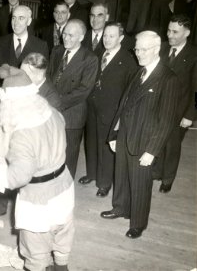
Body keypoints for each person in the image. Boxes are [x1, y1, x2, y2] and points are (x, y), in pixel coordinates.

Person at [0, 67, 74, 271]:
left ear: (11, 103)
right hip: (64, 187)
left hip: (38, 200)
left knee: (35, 251)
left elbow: (18, 177)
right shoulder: (51, 112)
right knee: (62, 240)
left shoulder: (22, 135)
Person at [102, 31, 179, 239]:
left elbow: (166, 120)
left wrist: (152, 151)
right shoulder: (140, 71)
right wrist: (115, 133)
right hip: (125, 135)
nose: (139, 53)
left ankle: (138, 223)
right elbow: (124, 105)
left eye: (143, 49)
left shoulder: (167, 78)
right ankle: (120, 208)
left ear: (156, 49)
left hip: (145, 142)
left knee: (140, 184)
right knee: (122, 176)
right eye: (136, 49)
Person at [80, 22, 138, 196]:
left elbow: (130, 90)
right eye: (105, 35)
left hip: (112, 111)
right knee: (91, 141)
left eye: (111, 36)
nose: (107, 39)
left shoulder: (129, 60)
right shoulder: (96, 53)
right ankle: (91, 173)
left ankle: (104, 183)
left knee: (106, 147)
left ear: (120, 38)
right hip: (92, 107)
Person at [48, 19, 98, 179]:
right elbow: (49, 77)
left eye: (71, 35)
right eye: (64, 34)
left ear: (82, 37)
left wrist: (56, 102)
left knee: (68, 156)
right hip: (51, 111)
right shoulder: (56, 51)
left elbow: (84, 90)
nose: (66, 38)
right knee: (51, 151)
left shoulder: (90, 58)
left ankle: (66, 188)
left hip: (72, 114)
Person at [154, 15, 197, 193]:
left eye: (175, 32)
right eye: (168, 30)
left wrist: (190, 115)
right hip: (158, 107)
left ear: (186, 33)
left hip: (180, 111)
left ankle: (168, 178)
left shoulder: (194, 55)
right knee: (157, 140)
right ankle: (156, 171)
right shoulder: (162, 48)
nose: (170, 35)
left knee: (172, 145)